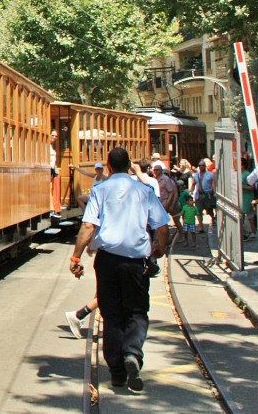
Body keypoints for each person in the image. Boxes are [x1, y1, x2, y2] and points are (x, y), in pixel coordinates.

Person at [69, 146, 169, 392]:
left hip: (107, 261)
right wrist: (160, 248)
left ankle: (116, 372)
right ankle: (133, 353)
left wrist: (75, 256)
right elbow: (162, 225)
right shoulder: (144, 190)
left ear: (109, 166)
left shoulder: (100, 190)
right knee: (136, 311)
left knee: (111, 314)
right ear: (129, 166)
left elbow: (89, 226)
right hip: (136, 262)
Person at [192, 159, 216, 230]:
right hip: (199, 195)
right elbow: (194, 184)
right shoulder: (196, 175)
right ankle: (200, 226)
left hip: (207, 194)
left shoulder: (210, 174)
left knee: (209, 209)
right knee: (198, 211)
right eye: (200, 165)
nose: (201, 167)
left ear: (205, 166)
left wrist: (214, 192)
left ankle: (213, 218)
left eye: (203, 165)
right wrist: (191, 192)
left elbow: (213, 184)